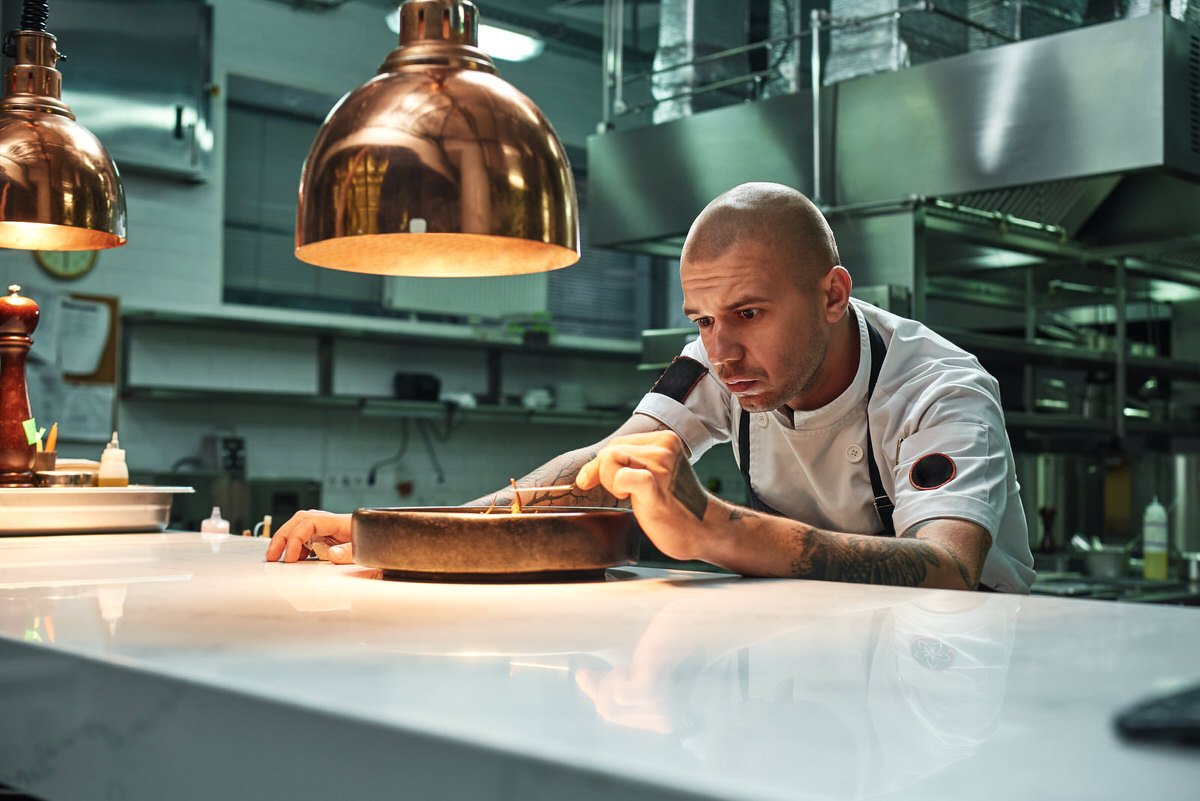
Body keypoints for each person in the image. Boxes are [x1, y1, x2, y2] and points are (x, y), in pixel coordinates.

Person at [266, 182, 1035, 593]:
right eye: (701, 319)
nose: (722, 350)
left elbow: (947, 567)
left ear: (833, 295)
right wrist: (420, 532)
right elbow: (606, 459)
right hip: (824, 642)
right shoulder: (719, 362)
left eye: (749, 313)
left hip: (972, 661)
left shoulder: (938, 390)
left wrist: (716, 527)